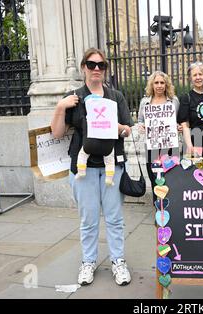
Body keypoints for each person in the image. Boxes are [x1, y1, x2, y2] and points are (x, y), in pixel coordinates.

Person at [51, 48, 133, 286]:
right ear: (83, 68)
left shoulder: (115, 97)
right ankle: (88, 262)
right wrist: (60, 106)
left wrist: (113, 126)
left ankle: (118, 261)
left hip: (112, 165)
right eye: (91, 64)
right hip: (83, 167)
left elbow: (128, 129)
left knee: (115, 218)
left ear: (106, 69)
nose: (96, 69)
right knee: (88, 220)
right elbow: (57, 133)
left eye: (101, 65)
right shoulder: (74, 97)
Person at [137, 71, 180, 202]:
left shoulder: (174, 101)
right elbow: (140, 120)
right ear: (152, 85)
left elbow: (178, 119)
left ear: (166, 85)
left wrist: (178, 127)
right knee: (154, 177)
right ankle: (158, 208)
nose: (159, 85)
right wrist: (141, 126)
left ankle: (172, 208)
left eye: (162, 82)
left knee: (171, 176)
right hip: (152, 146)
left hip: (170, 145)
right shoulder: (145, 102)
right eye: (156, 83)